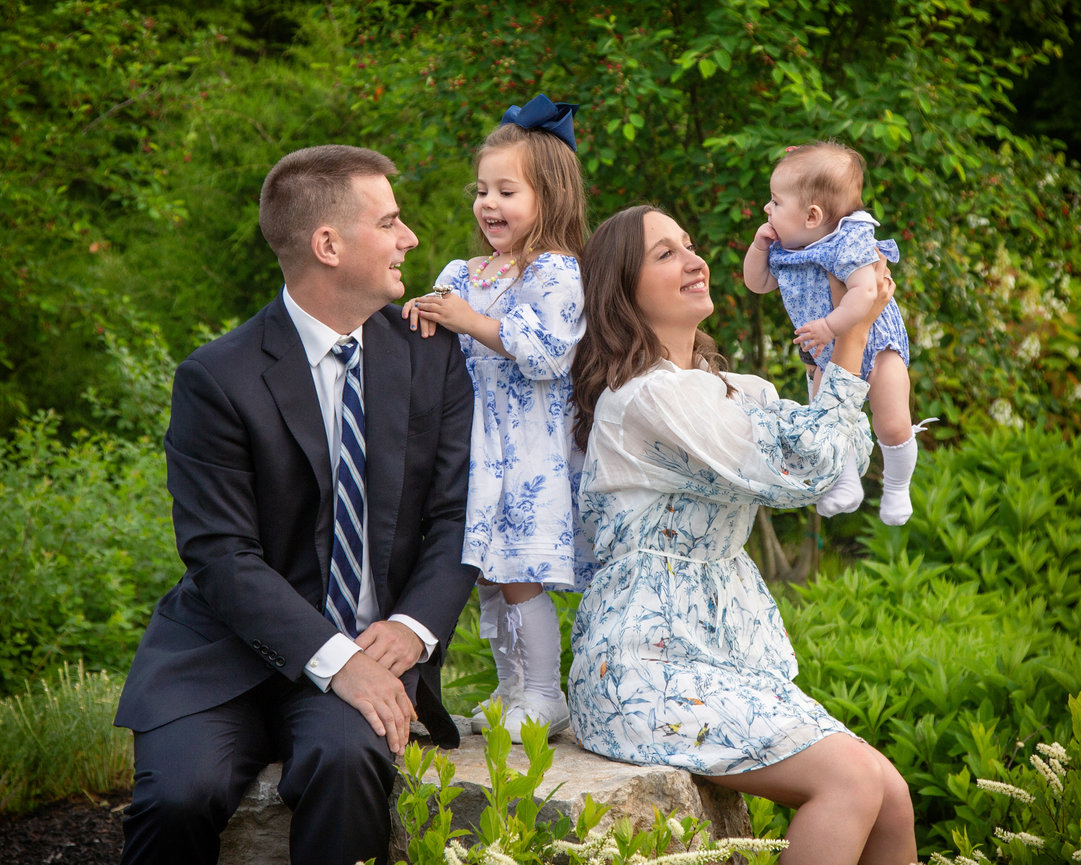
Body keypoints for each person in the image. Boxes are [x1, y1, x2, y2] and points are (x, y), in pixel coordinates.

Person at [114, 144, 478, 865]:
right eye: (391, 221)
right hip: (225, 656)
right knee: (179, 796)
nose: (408, 238)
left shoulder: (429, 352)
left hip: (373, 647)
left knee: (346, 767)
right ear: (327, 244)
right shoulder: (218, 377)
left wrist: (411, 626)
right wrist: (334, 658)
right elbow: (220, 554)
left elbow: (457, 512)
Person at [568, 205, 917, 865]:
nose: (693, 260)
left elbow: (841, 451)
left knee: (890, 793)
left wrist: (847, 321)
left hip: (721, 660)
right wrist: (852, 333)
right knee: (847, 779)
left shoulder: (733, 389)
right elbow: (807, 470)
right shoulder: (647, 398)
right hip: (645, 666)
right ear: (621, 290)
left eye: (690, 244)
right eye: (665, 253)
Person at [403, 94, 595, 743]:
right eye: (482, 189)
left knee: (518, 574)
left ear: (551, 195)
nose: (488, 203)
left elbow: (545, 355)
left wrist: (467, 318)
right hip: (471, 446)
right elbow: (442, 348)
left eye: (506, 190)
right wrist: (427, 318)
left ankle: (545, 690)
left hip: (526, 449)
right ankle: (511, 687)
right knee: (486, 570)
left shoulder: (556, 273)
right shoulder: (467, 271)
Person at [743, 140, 928, 525]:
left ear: (812, 216)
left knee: (892, 421)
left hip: (878, 345)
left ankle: (896, 487)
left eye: (776, 202)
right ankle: (846, 483)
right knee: (828, 419)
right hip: (825, 353)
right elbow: (757, 284)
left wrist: (829, 326)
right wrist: (758, 250)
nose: (767, 208)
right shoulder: (788, 248)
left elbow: (867, 294)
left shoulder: (850, 242)